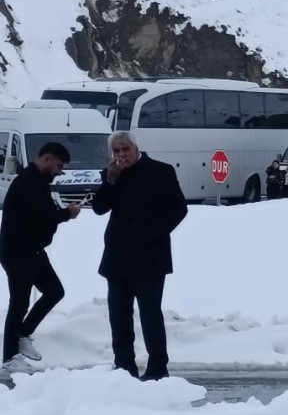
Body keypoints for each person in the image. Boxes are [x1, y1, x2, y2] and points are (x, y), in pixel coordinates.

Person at [91, 131, 188, 379]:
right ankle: (124, 367)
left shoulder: (160, 171)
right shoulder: (111, 174)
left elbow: (178, 209)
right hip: (118, 255)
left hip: (150, 255)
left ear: (136, 148)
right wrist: (110, 180)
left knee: (149, 313)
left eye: (125, 150)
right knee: (119, 315)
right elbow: (99, 208)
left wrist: (154, 232)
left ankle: (157, 368)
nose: (121, 156)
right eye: (116, 151)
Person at [0, 142, 82, 374]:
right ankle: (9, 356)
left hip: (33, 250)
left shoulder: (39, 182)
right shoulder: (28, 183)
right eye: (58, 166)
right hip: (18, 252)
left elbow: (42, 216)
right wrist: (68, 213)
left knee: (55, 291)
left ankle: (23, 334)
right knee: (19, 303)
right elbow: (41, 217)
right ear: (46, 160)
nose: (59, 172)